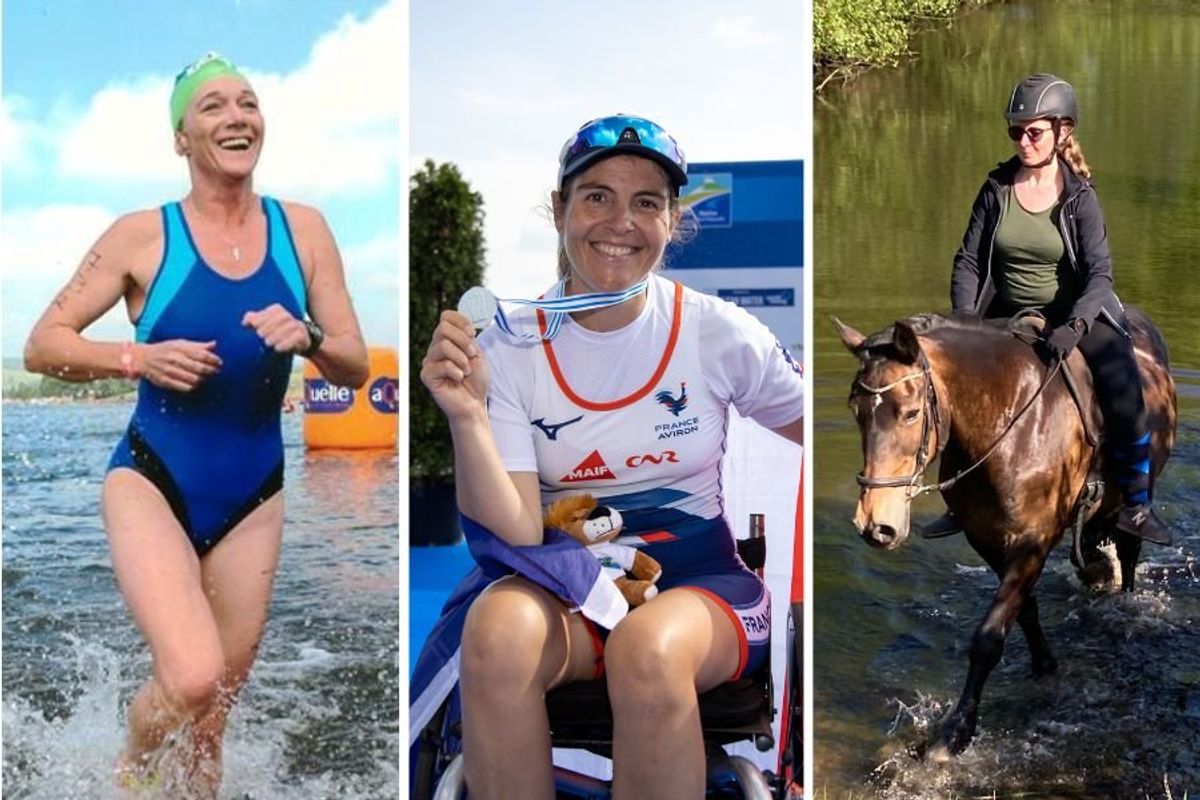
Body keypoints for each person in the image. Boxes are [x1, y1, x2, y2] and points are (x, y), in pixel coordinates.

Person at [420, 114, 804, 799]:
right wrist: (469, 416)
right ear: (559, 209)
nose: (619, 221)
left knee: (647, 649)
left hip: (701, 586)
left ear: (671, 220)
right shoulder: (508, 346)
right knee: (497, 629)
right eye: (597, 196)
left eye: (646, 202)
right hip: (568, 587)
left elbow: (833, 426)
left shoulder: (719, 331)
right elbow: (512, 532)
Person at [23, 53, 369, 796]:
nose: (236, 116)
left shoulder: (303, 229)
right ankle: (130, 772)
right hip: (153, 475)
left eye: (247, 102)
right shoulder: (141, 236)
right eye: (212, 106)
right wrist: (135, 356)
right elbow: (42, 344)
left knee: (212, 715)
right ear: (181, 137)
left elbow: (353, 363)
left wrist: (307, 336)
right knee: (190, 675)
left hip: (255, 494)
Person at [949, 73, 1170, 545]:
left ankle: (1135, 502)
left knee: (1123, 385)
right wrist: (965, 324)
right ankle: (961, 497)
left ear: (1061, 131)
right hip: (1006, 310)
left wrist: (1076, 324)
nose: (1023, 140)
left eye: (1034, 131)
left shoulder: (1080, 198)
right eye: (1015, 131)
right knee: (953, 383)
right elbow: (969, 260)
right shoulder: (995, 188)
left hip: (1075, 312)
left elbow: (1099, 274)